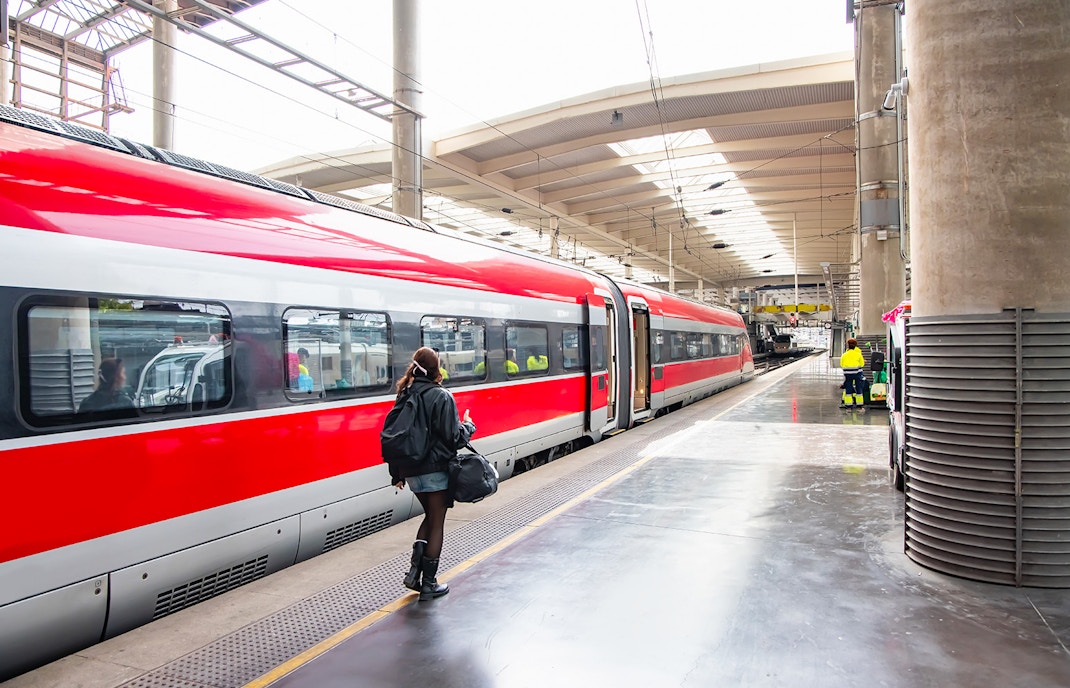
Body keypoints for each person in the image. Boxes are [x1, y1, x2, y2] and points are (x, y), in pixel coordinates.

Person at [389, 346, 476, 600]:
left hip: (412, 472)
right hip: (436, 470)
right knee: (436, 522)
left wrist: (397, 473)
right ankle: (428, 583)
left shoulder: (404, 394)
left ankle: (414, 574)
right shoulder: (441, 396)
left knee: (430, 516)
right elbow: (454, 437)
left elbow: (396, 437)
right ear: (437, 369)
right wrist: (469, 426)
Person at [840, 338, 866, 409]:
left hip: (847, 374)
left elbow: (841, 364)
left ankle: (848, 406)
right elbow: (862, 364)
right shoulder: (858, 354)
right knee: (859, 388)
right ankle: (859, 405)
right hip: (857, 374)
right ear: (855, 345)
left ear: (848, 345)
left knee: (848, 388)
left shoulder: (844, 355)